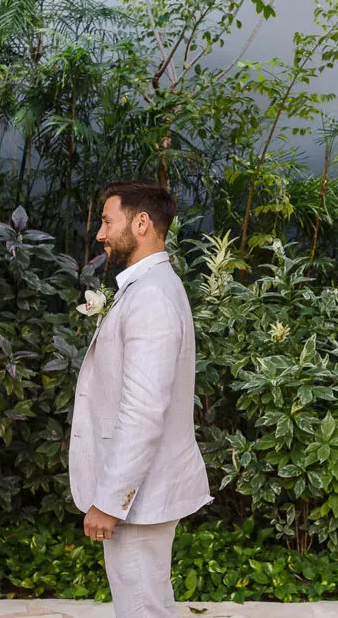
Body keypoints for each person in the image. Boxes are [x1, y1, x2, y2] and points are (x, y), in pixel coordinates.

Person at [68, 180, 213, 617]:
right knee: (151, 603)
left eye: (108, 221)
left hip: (137, 499)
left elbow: (144, 411)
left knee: (140, 609)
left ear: (142, 222)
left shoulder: (151, 296)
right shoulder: (152, 287)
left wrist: (109, 501)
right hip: (143, 494)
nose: (100, 233)